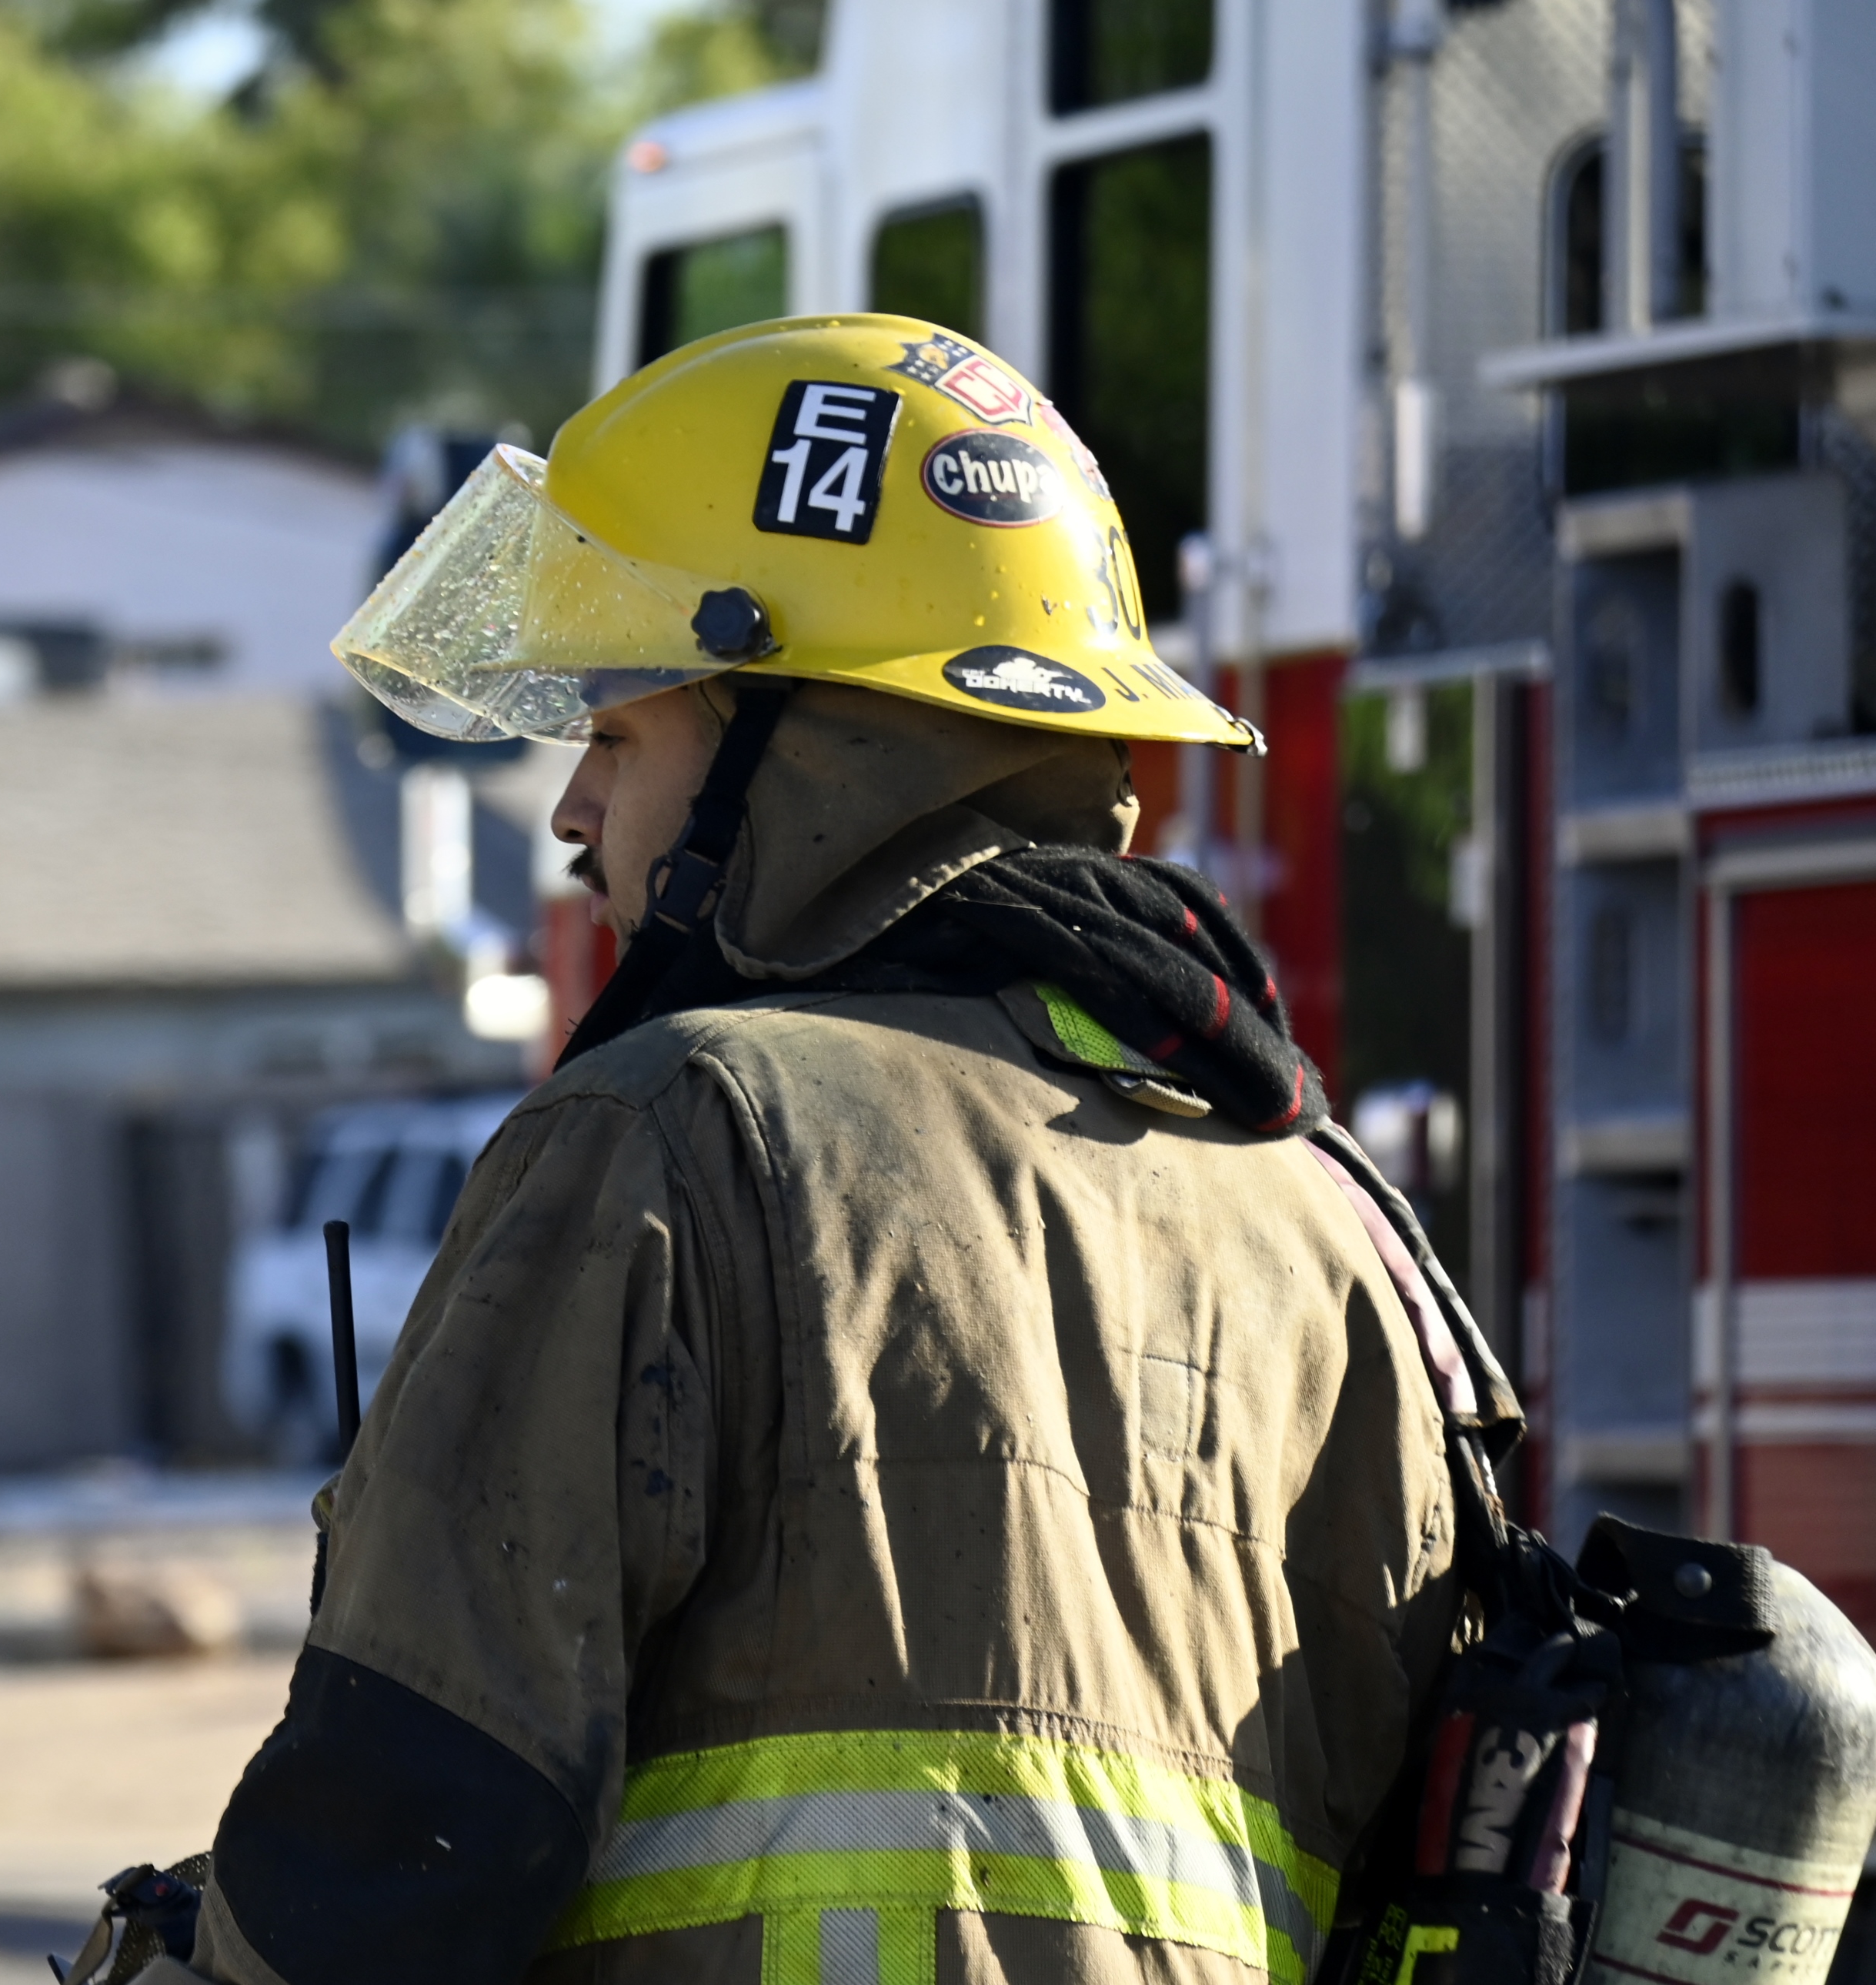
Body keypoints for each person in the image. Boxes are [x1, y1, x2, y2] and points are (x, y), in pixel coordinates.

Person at [95, 317, 1498, 1985]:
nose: (573, 816)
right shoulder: (1328, 1222)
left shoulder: (668, 1136)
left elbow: (407, 1824)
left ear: (810, 751)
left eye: (619, 735)